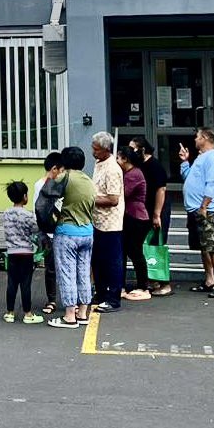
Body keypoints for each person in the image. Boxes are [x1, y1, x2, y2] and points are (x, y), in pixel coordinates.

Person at [45, 147, 96, 329]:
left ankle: (69, 316)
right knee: (83, 273)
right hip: (87, 232)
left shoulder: (64, 177)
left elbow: (46, 197)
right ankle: (82, 313)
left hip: (67, 232)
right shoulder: (89, 180)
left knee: (67, 274)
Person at [180, 128, 214, 298]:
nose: (195, 139)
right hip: (196, 208)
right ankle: (210, 280)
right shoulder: (202, 157)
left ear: (205, 138)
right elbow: (189, 177)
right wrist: (185, 162)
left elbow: (212, 182)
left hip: (205, 209)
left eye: (197, 136)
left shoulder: (212, 157)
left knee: (212, 247)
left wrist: (204, 206)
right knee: (204, 247)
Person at [129, 136, 173, 296]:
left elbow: (161, 190)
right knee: (146, 246)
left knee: (157, 246)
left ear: (142, 149)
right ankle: (153, 279)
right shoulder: (139, 165)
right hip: (144, 211)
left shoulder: (154, 166)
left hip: (157, 210)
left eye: (133, 148)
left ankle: (164, 283)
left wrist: (157, 214)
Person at [90, 132, 125, 314]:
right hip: (97, 220)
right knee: (98, 260)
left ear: (106, 149)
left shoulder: (112, 169)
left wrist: (90, 199)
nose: (93, 152)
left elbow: (113, 199)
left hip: (111, 223)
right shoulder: (98, 163)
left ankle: (113, 298)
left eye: (96, 149)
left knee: (112, 261)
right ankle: (101, 293)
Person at [2, 181, 43, 324]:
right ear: (25, 196)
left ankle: (10, 313)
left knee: (12, 283)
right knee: (25, 283)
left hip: (12, 253)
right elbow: (35, 229)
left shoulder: (6, 213)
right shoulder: (27, 215)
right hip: (26, 253)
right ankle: (28, 314)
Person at [118, 147, 151, 301]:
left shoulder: (133, 174)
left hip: (136, 217)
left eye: (119, 158)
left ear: (125, 159)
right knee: (126, 251)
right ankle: (122, 285)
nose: (117, 161)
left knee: (135, 251)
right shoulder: (130, 173)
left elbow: (122, 193)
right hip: (131, 216)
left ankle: (143, 286)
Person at [32, 151, 63, 314]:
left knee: (59, 267)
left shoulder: (59, 184)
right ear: (54, 169)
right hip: (49, 231)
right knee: (51, 267)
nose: (62, 173)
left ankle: (64, 299)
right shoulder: (41, 185)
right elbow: (37, 210)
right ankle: (52, 299)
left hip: (60, 229)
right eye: (61, 170)